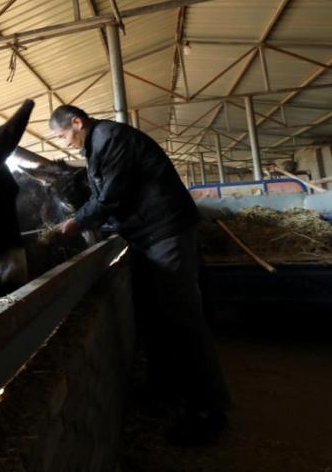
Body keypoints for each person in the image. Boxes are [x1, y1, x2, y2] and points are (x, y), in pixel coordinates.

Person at [48, 104, 230, 446]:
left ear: (77, 122)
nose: (65, 143)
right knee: (155, 312)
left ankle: (209, 411)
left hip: (166, 232)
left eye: (64, 135)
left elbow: (110, 197)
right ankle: (166, 387)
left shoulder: (110, 139)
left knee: (182, 318)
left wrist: (76, 222)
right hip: (149, 234)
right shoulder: (97, 145)